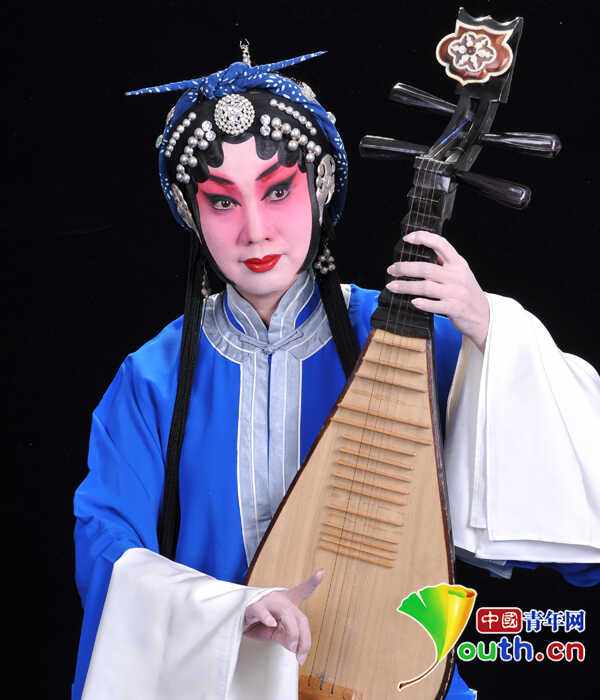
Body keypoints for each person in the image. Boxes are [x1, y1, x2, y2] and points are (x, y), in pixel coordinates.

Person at [73, 51, 600, 700]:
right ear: (191, 212)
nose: (256, 230)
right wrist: (227, 611)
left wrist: (493, 334)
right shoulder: (151, 380)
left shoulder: (412, 340)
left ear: (319, 186)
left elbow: (570, 512)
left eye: (277, 190)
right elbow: (106, 544)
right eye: (222, 201)